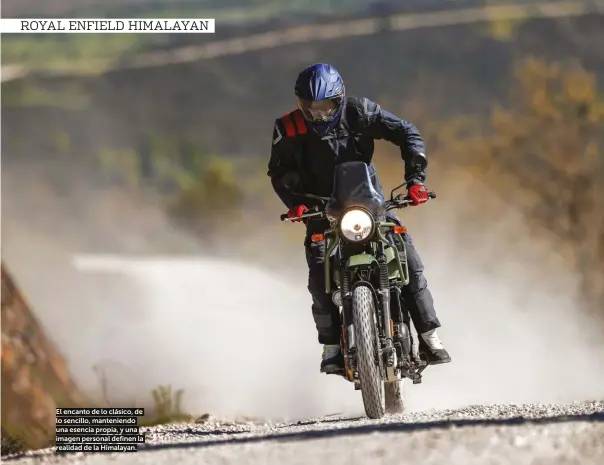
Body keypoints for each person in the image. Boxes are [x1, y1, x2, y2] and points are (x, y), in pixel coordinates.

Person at [267, 63, 451, 374]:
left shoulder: (360, 112)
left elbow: (407, 131)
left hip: (370, 202)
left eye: (327, 106)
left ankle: (429, 336)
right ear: (301, 104)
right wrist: (296, 203)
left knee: (407, 258)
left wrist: (416, 180)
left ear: (339, 100)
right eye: (311, 108)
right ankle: (332, 346)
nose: (320, 114)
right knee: (318, 275)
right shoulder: (288, 127)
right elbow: (279, 171)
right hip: (320, 210)